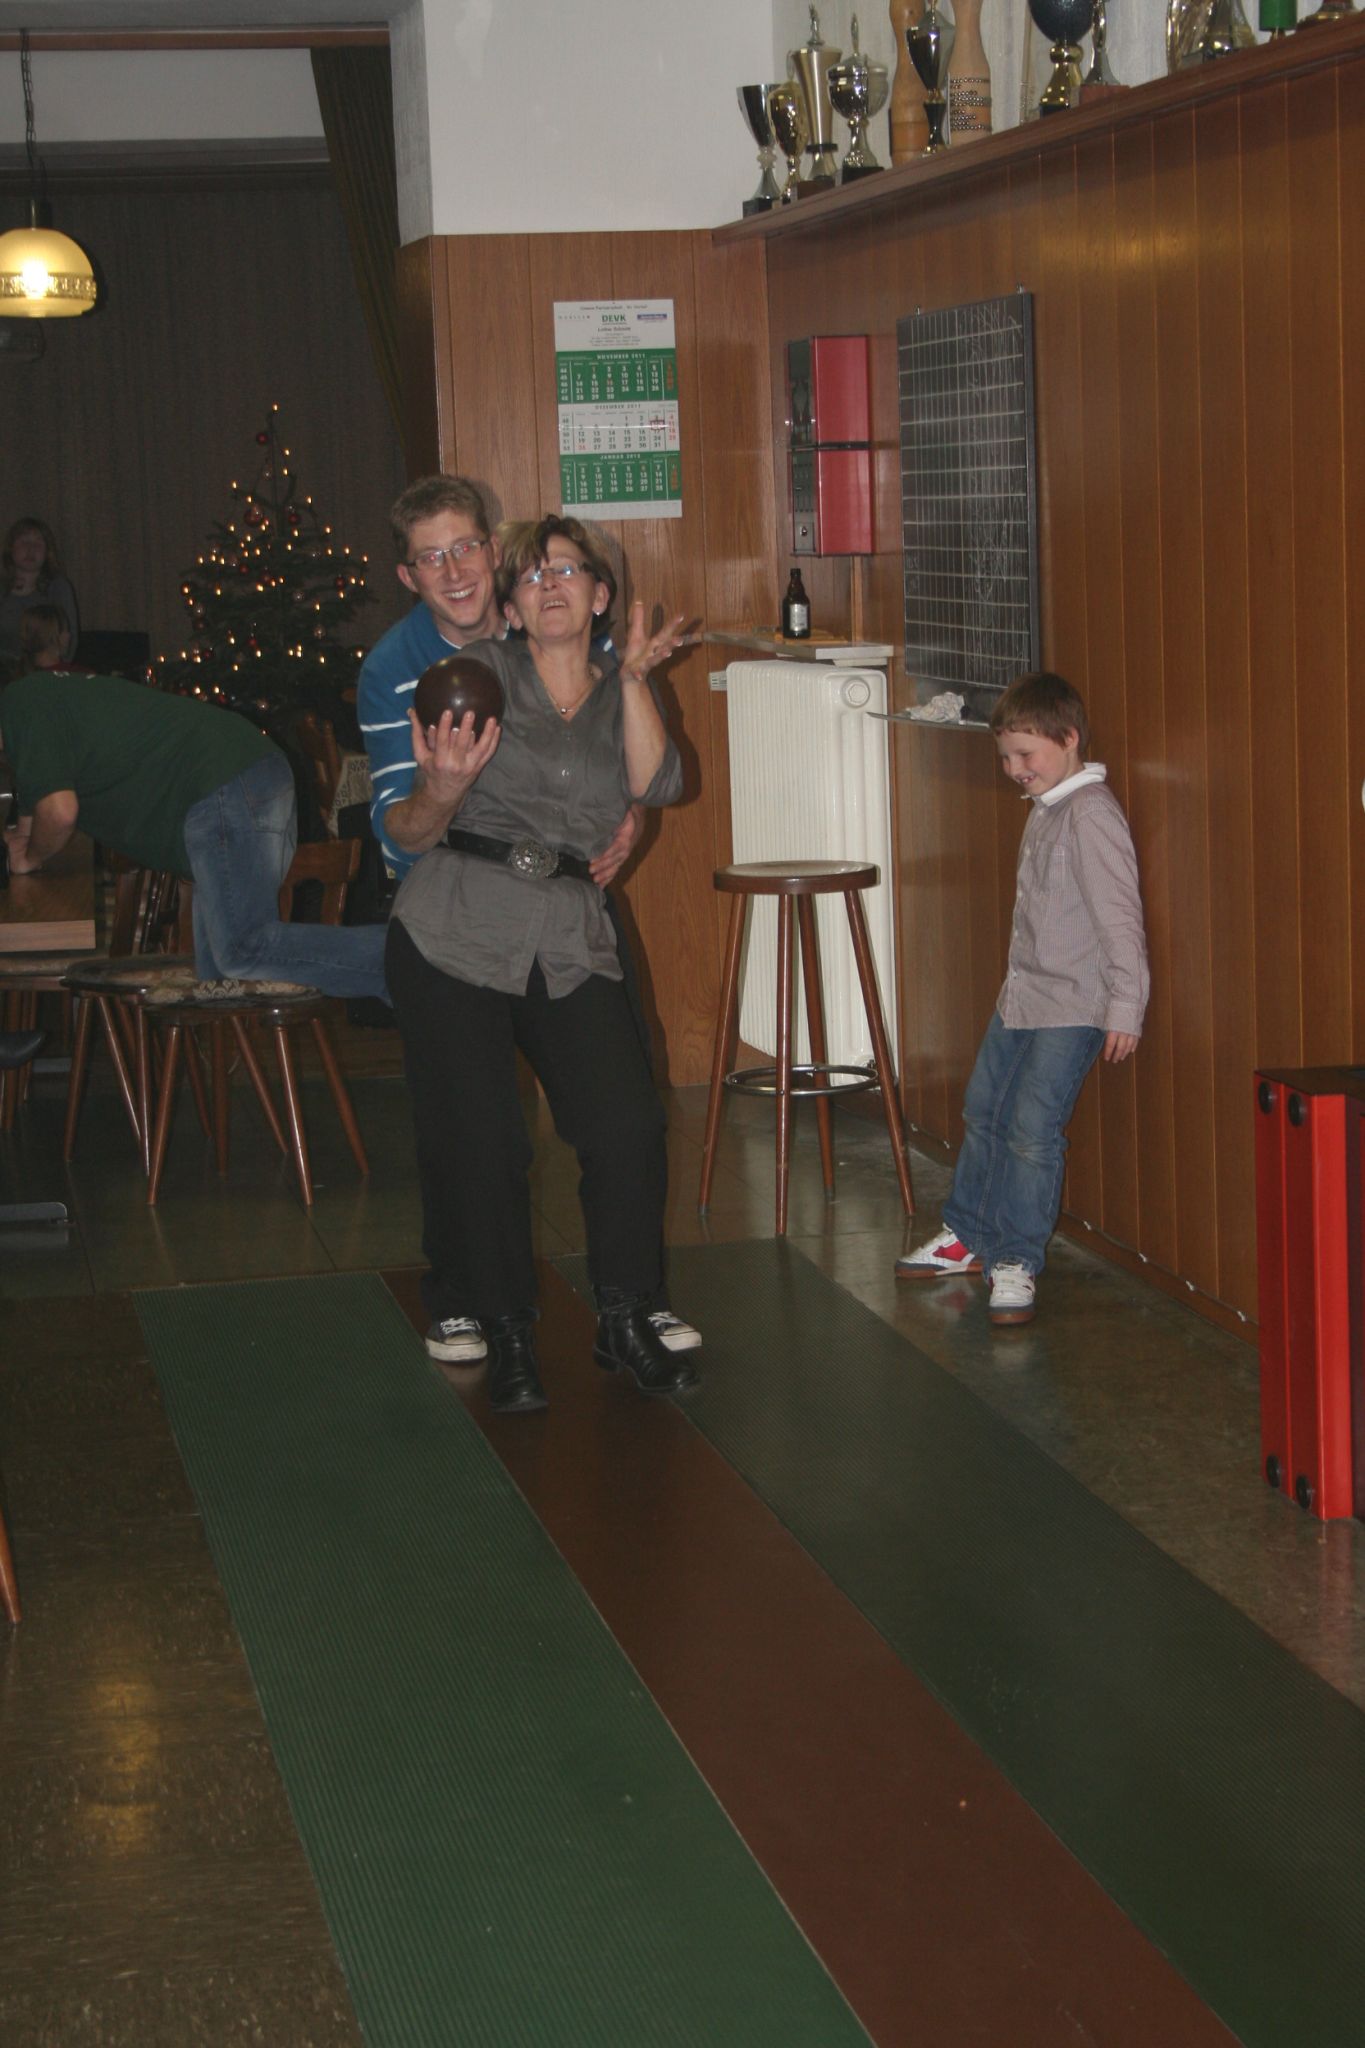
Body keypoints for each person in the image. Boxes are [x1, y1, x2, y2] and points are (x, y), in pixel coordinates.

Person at [359, 475, 698, 1367]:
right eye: (431, 557)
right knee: (475, 1138)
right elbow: (400, 831)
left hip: (568, 918)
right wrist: (444, 794)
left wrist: (626, 808)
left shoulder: (604, 665)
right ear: (411, 577)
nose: (454, 570)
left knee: (624, 1121)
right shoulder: (419, 673)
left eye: (466, 547)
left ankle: (630, 1308)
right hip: (454, 915)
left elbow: (650, 778)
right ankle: (480, 1307)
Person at [896, 672, 1148, 1327]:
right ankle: (969, 1234)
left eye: (1025, 754)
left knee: (1033, 1133)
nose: (1014, 769)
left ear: (1069, 739)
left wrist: (1125, 1006)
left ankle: (1015, 1259)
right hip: (1022, 996)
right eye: (1006, 756)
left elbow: (1121, 919)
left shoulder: (1090, 815)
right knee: (984, 1111)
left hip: (1072, 1008)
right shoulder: (1047, 806)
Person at [0, 672, 388, 1003]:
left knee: (241, 951)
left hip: (223, 783)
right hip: (239, 775)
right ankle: (401, 962)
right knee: (218, 975)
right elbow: (35, 817)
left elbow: (59, 812)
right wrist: (24, 842)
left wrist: (31, 857)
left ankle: (401, 959)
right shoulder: (30, 710)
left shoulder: (21, 705)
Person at [0, 518, 79, 670]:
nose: (31, 549)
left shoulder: (58, 587)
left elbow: (69, 641)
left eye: (38, 543)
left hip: (45, 673)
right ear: (11, 548)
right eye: (24, 541)